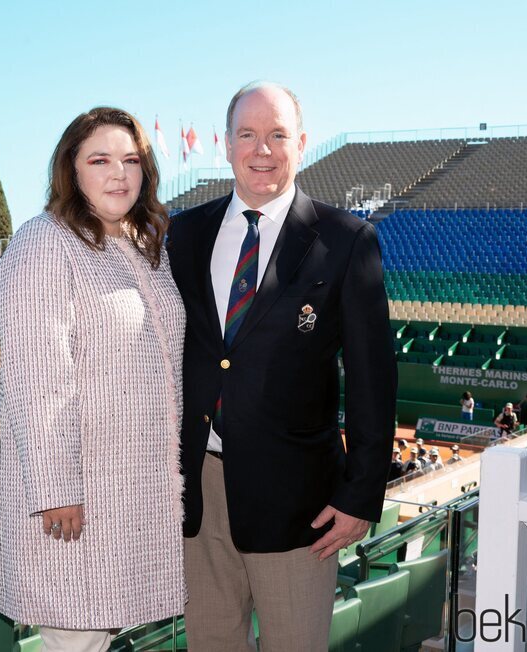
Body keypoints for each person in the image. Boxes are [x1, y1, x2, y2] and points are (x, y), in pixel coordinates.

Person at [166, 82, 397, 649]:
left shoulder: (346, 239)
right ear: (226, 144)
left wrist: (361, 493)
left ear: (302, 143)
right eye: (248, 134)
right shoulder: (184, 233)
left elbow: (374, 377)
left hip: (300, 504)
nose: (261, 150)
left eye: (276, 135)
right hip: (198, 493)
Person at [0, 106, 185, 650]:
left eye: (131, 160)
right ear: (70, 171)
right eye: (99, 160)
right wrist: (56, 489)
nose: (118, 174)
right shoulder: (43, 242)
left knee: (99, 637)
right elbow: (37, 378)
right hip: (76, 497)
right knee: (76, 639)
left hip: (133, 488)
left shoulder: (148, 243)